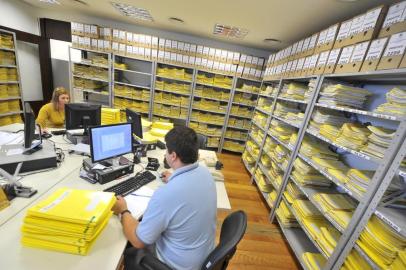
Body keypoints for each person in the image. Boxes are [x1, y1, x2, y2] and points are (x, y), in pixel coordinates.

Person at [112, 126, 217, 270]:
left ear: (173, 156)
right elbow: (186, 189)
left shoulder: (166, 195)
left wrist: (123, 211)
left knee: (128, 246)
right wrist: (174, 178)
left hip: (177, 265)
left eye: (166, 150)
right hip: (202, 257)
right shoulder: (205, 174)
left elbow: (139, 241)